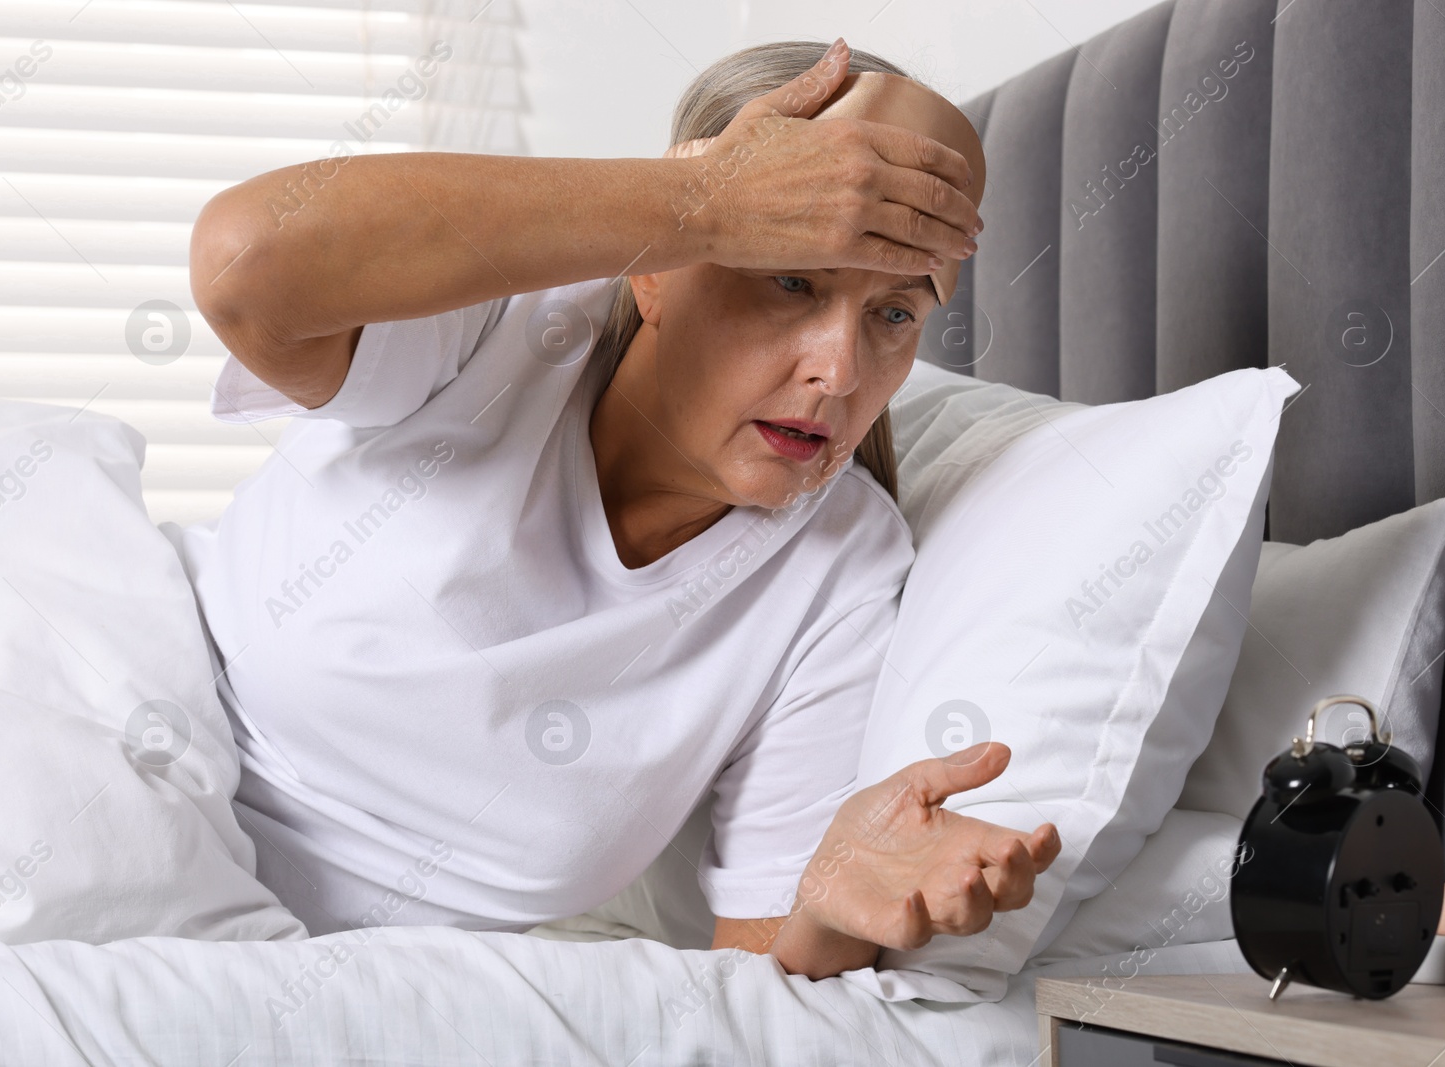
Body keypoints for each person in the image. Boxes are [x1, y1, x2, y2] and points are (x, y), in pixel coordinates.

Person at [181, 36, 1059, 981]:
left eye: (895, 313)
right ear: (659, 268)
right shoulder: (498, 325)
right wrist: (703, 201)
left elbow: (761, 988)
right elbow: (243, 264)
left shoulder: (840, 570)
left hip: (318, 990)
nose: (838, 372)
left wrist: (836, 900)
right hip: (122, 739)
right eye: (790, 278)